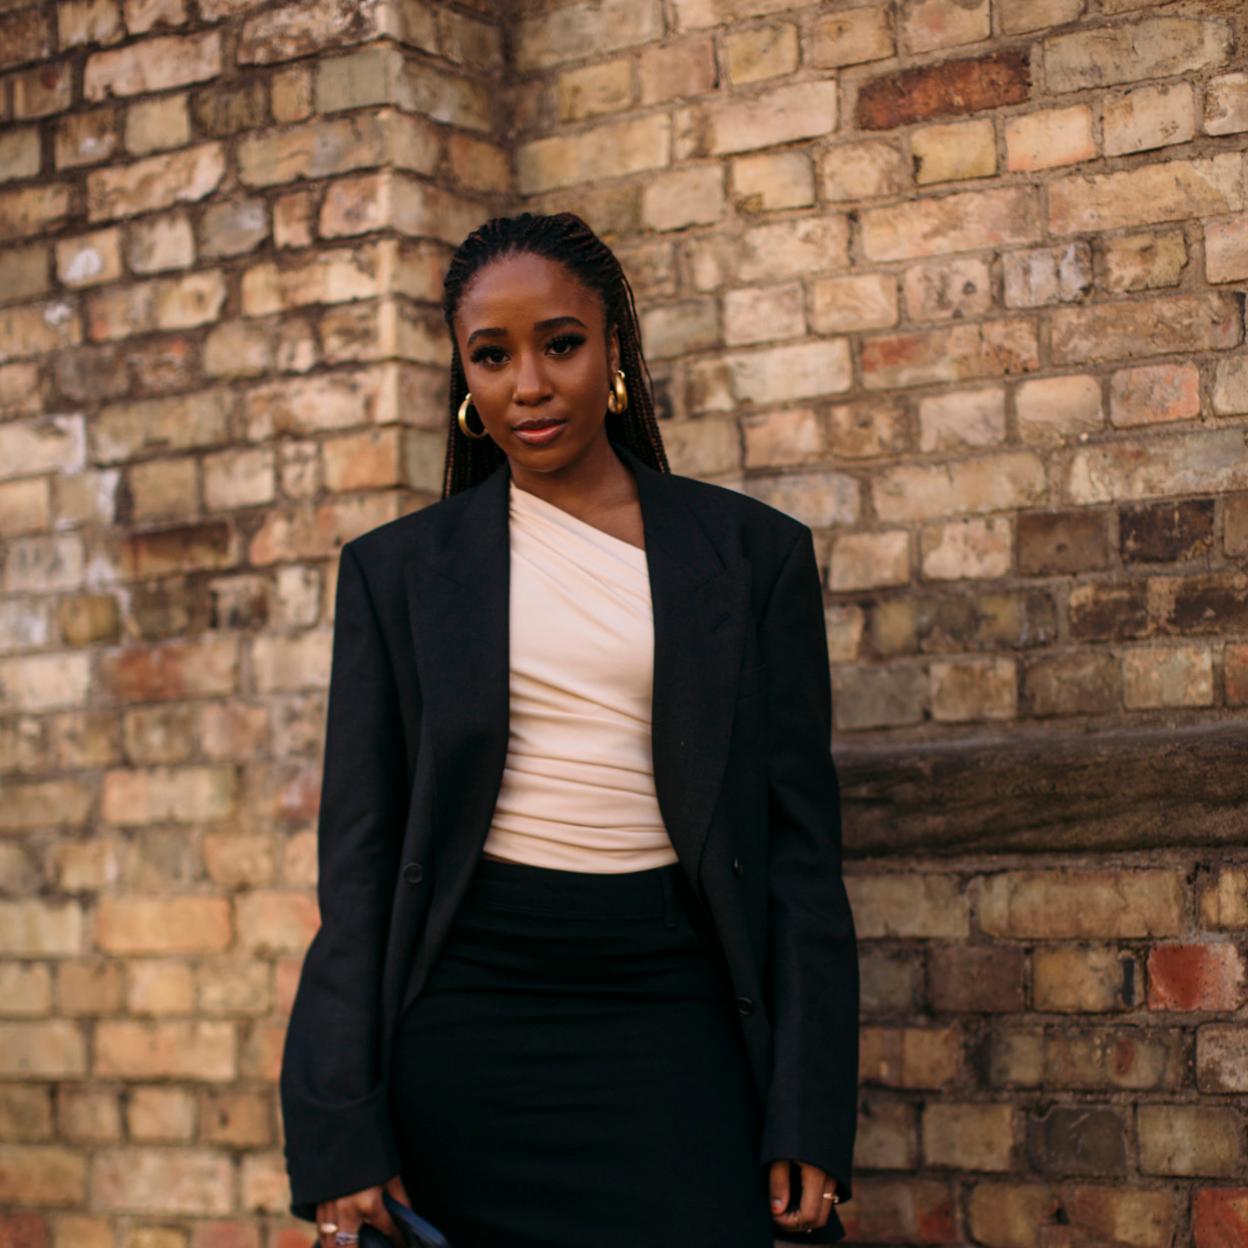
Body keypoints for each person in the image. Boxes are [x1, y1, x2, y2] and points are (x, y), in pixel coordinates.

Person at [280, 211, 859, 1247]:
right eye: (491, 357)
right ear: (464, 378)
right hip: (469, 1032)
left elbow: (801, 861)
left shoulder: (750, 557)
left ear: (614, 351)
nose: (529, 386)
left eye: (560, 344)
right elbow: (359, 869)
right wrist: (338, 1130)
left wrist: (809, 1108)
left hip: (675, 1013)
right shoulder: (399, 574)